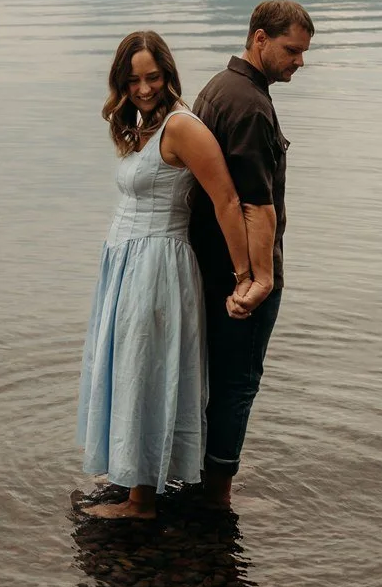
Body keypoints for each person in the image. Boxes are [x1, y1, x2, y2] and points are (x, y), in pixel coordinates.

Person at [77, 31, 258, 521]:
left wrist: (245, 275)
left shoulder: (182, 127)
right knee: (125, 366)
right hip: (125, 263)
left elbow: (226, 200)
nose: (143, 88)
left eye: (152, 77)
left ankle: (141, 502)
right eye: (133, 80)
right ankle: (132, 470)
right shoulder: (141, 126)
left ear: (168, 75)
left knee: (144, 369)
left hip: (157, 264)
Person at [189, 0, 314, 509]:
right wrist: (258, 279)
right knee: (238, 384)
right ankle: (218, 495)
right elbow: (255, 206)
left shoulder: (220, 88)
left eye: (304, 53)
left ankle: (200, 475)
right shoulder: (251, 106)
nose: (299, 62)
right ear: (259, 38)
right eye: (292, 50)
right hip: (238, 277)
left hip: (209, 265)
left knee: (212, 380)